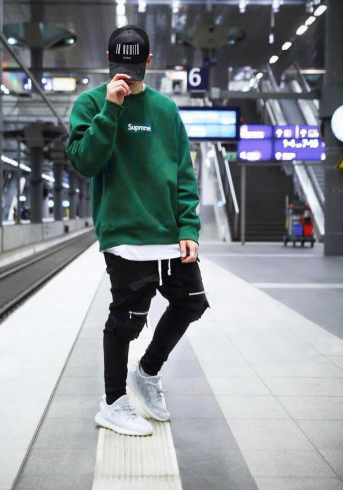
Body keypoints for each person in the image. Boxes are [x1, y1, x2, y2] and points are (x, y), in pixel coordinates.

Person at [66, 25, 210, 437]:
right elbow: (85, 161)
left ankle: (146, 373)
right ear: (108, 62)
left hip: (169, 235)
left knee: (192, 303)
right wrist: (110, 110)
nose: (126, 75)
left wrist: (189, 227)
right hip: (125, 236)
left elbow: (183, 173)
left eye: (134, 67)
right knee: (127, 320)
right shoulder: (90, 103)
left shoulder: (165, 110)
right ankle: (113, 404)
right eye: (119, 67)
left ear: (148, 61)